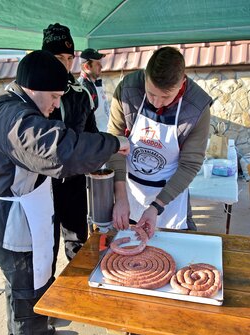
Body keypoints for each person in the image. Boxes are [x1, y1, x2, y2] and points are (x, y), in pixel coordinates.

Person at [0, 50, 129, 335]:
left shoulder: (12, 106)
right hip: (12, 221)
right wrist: (112, 143)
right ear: (35, 88)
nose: (56, 105)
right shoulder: (16, 119)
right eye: (55, 96)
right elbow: (61, 150)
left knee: (22, 283)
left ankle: (25, 334)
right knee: (26, 286)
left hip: (16, 212)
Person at [107, 46, 213, 239]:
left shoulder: (198, 107)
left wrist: (157, 206)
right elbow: (115, 144)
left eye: (166, 97)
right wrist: (120, 196)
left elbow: (190, 165)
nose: (156, 103)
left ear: (183, 82)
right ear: (145, 76)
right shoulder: (127, 90)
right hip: (129, 190)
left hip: (170, 196)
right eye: (151, 94)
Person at [42, 23, 98, 261]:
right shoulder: (35, 94)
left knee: (78, 250)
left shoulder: (81, 94)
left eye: (68, 58)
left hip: (74, 184)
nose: (64, 64)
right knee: (45, 253)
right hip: (42, 186)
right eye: (57, 57)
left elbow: (92, 137)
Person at [78, 48, 110, 132]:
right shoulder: (83, 88)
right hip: (97, 140)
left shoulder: (95, 84)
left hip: (105, 137)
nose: (101, 66)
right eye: (98, 64)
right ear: (87, 66)